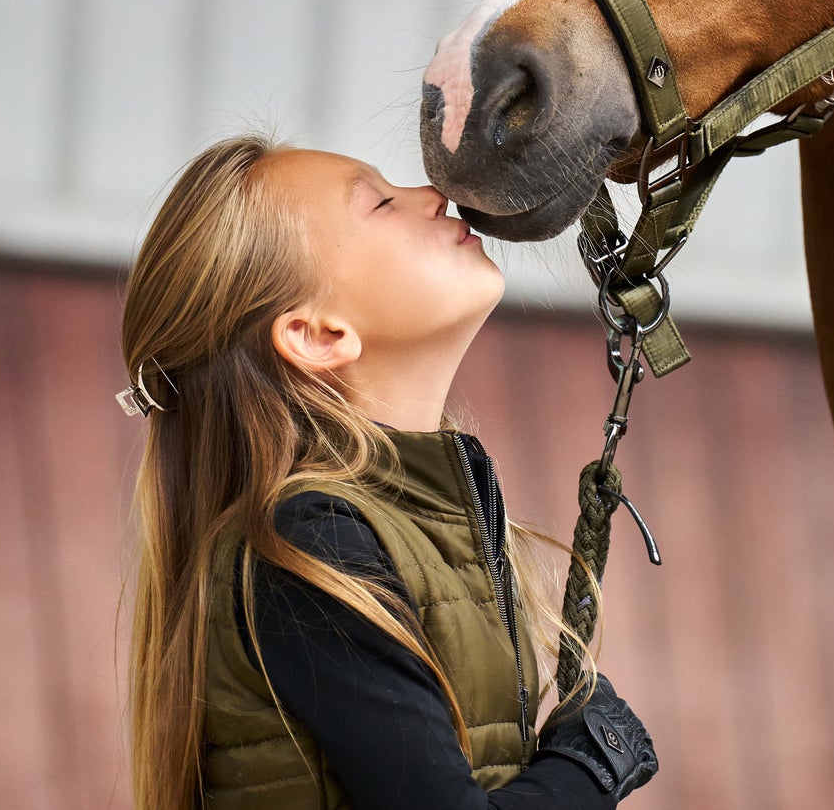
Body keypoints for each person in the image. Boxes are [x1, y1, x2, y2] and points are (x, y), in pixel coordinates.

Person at [119, 134, 657, 809]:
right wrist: (592, 763)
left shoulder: (391, 523)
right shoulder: (308, 545)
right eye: (379, 202)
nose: (433, 194)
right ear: (318, 334)